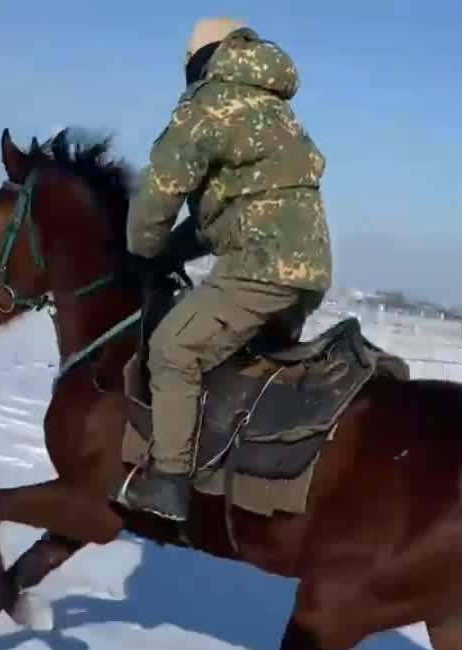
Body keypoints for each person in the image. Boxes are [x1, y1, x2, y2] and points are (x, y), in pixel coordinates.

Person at [116, 17, 333, 522]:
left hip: (260, 271)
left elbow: (160, 191)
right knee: (237, 365)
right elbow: (231, 214)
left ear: (199, 59)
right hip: (307, 275)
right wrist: (174, 250)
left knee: (173, 350)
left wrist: (142, 250)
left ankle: (170, 480)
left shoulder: (211, 102)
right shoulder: (276, 111)